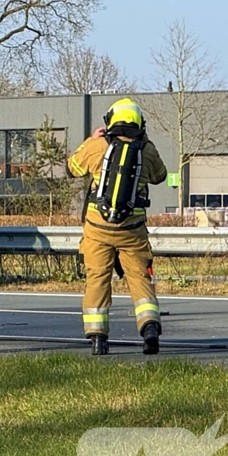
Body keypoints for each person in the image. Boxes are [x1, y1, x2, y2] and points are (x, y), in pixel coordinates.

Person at [68, 98, 168, 356]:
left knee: (98, 279)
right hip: (132, 230)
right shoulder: (145, 149)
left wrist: (90, 140)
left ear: (111, 120)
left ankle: (98, 339)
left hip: (97, 229)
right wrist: (146, 143)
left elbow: (73, 167)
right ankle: (149, 329)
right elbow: (160, 176)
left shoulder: (98, 145)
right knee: (139, 278)